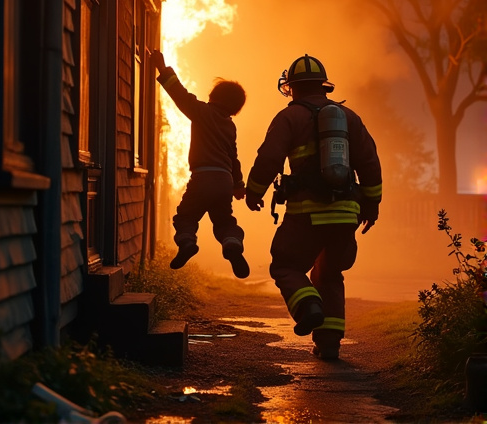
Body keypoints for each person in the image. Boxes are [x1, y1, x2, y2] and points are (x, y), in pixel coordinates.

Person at [245, 54, 382, 359]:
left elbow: (269, 158)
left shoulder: (288, 118)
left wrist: (254, 191)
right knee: (329, 274)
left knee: (286, 265)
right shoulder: (349, 118)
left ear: (291, 88)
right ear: (323, 85)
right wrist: (371, 207)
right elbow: (370, 165)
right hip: (346, 215)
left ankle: (308, 307)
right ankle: (329, 345)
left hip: (306, 215)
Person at [150, 50, 250, 279]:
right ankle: (232, 244)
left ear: (212, 98)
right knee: (224, 220)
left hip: (202, 177)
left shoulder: (202, 112)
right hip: (224, 180)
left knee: (186, 217)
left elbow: (179, 94)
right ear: (234, 109)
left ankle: (187, 243)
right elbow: (233, 157)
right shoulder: (230, 126)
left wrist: (162, 69)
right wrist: (238, 185)